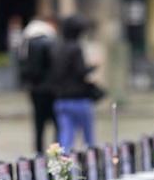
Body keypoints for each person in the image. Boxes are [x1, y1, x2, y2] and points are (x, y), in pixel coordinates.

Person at [50, 15, 96, 152]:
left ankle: (63, 166)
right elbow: (80, 71)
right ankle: (92, 164)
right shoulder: (76, 48)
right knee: (88, 137)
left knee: (65, 136)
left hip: (61, 98)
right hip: (79, 98)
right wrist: (93, 66)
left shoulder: (57, 48)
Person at [18, 17, 57, 154]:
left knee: (38, 123)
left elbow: (23, 67)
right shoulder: (50, 42)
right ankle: (55, 152)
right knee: (56, 122)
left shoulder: (26, 43)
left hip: (35, 89)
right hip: (50, 89)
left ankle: (38, 152)